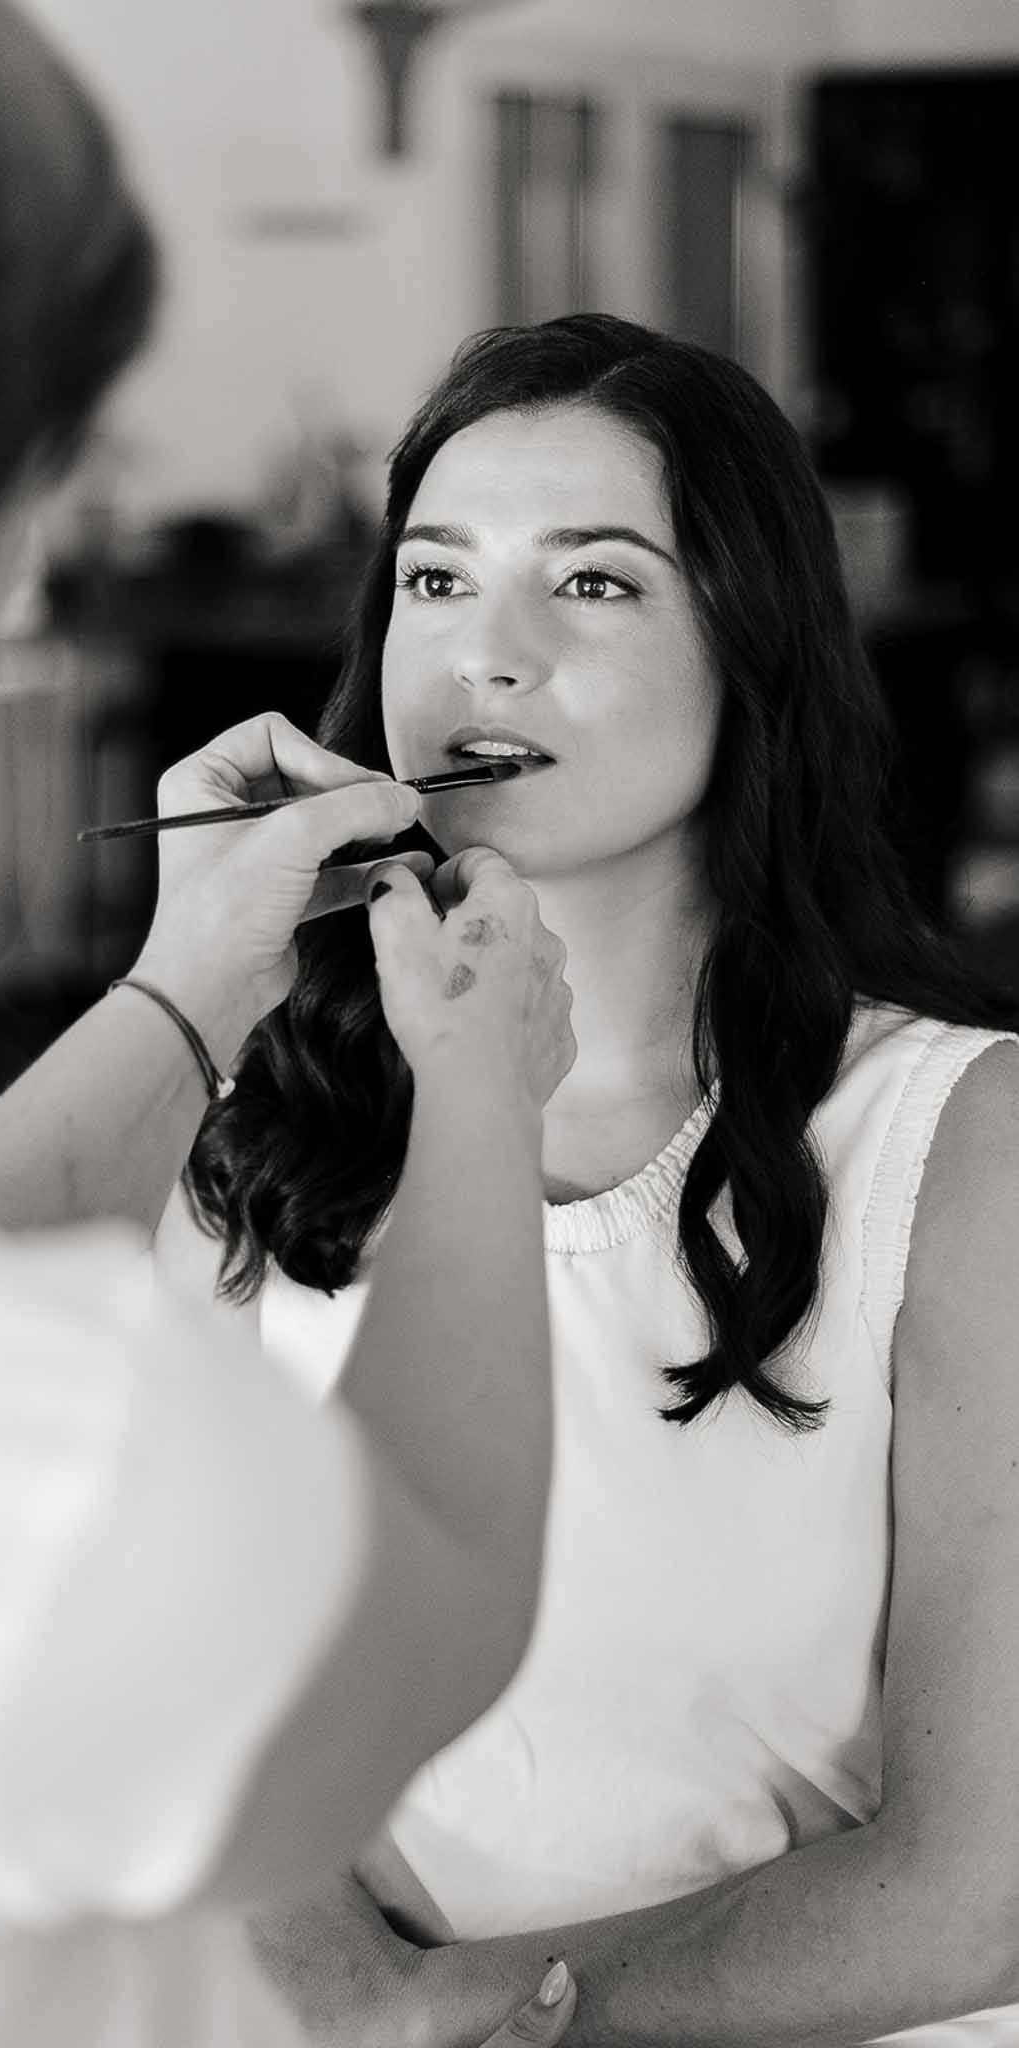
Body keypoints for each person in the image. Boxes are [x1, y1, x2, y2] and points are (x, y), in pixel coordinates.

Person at [0, 3, 582, 2039]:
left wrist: (186, 985)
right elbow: (428, 1591)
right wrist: (476, 1102)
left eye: (594, 584)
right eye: (432, 575)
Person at [163, 314, 1019, 2046]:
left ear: (750, 649)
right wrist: (332, 1991)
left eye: (596, 585)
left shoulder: (961, 1144)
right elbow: (165, 1668)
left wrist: (453, 2018)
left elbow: (972, 1894)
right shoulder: (257, 1112)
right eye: (432, 580)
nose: (484, 656)